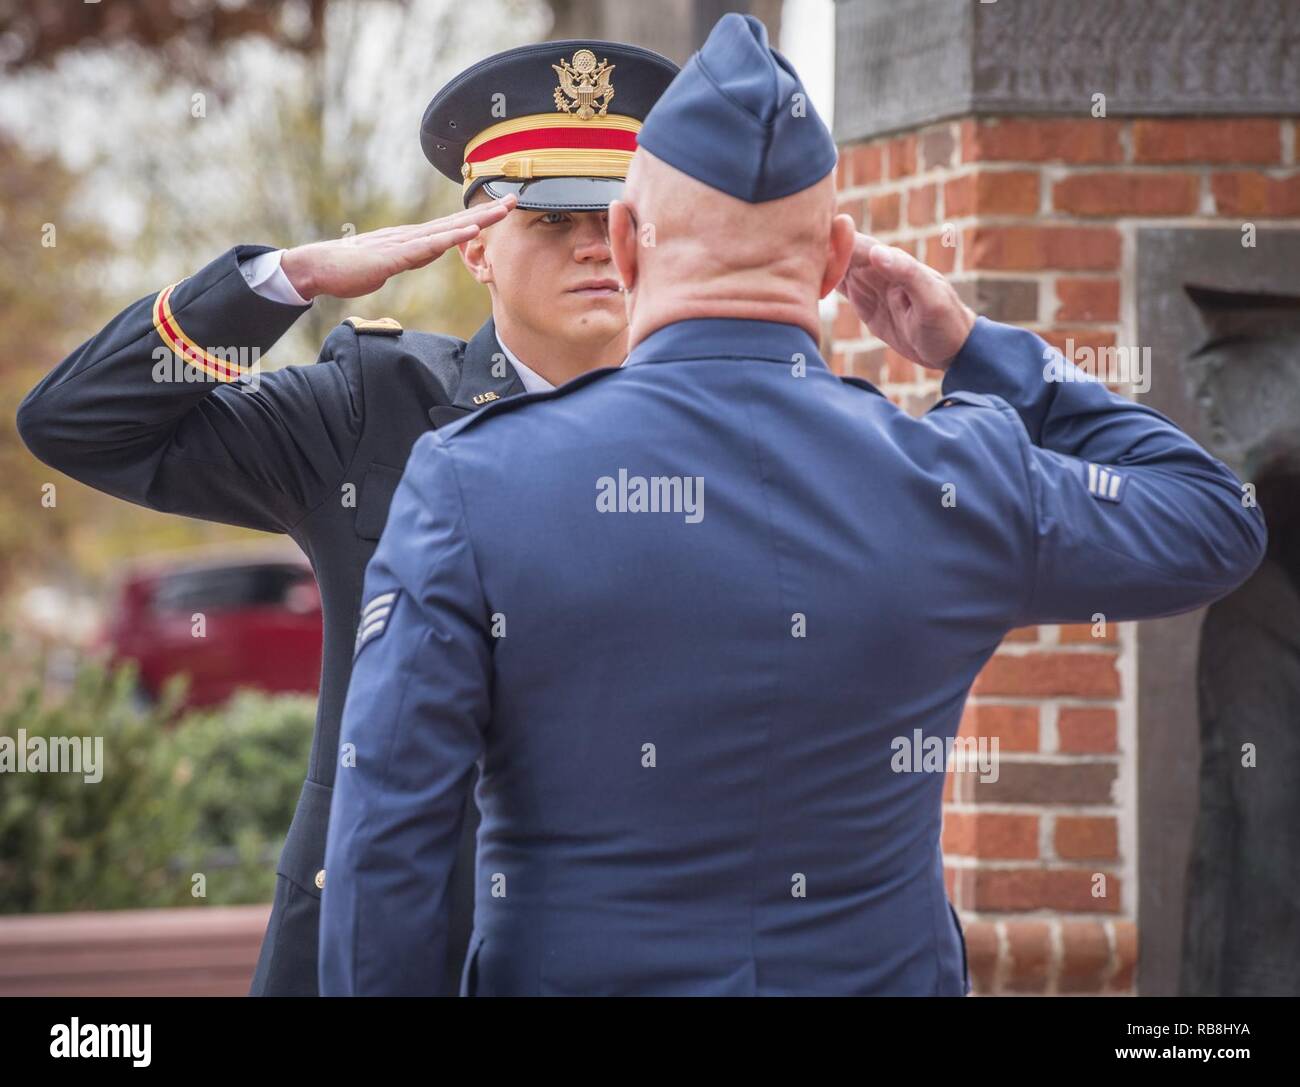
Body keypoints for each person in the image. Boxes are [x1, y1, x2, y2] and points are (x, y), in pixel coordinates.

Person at [318, 14, 1266, 996]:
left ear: (626, 241)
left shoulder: (475, 483)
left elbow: (389, 844)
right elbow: (1214, 515)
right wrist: (977, 351)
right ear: (832, 262)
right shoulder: (963, 477)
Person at [15, 38, 677, 997]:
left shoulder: (706, 438)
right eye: (551, 216)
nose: (592, 244)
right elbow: (77, 423)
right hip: (386, 948)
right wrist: (287, 279)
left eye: (615, 217)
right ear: (480, 243)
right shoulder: (377, 407)